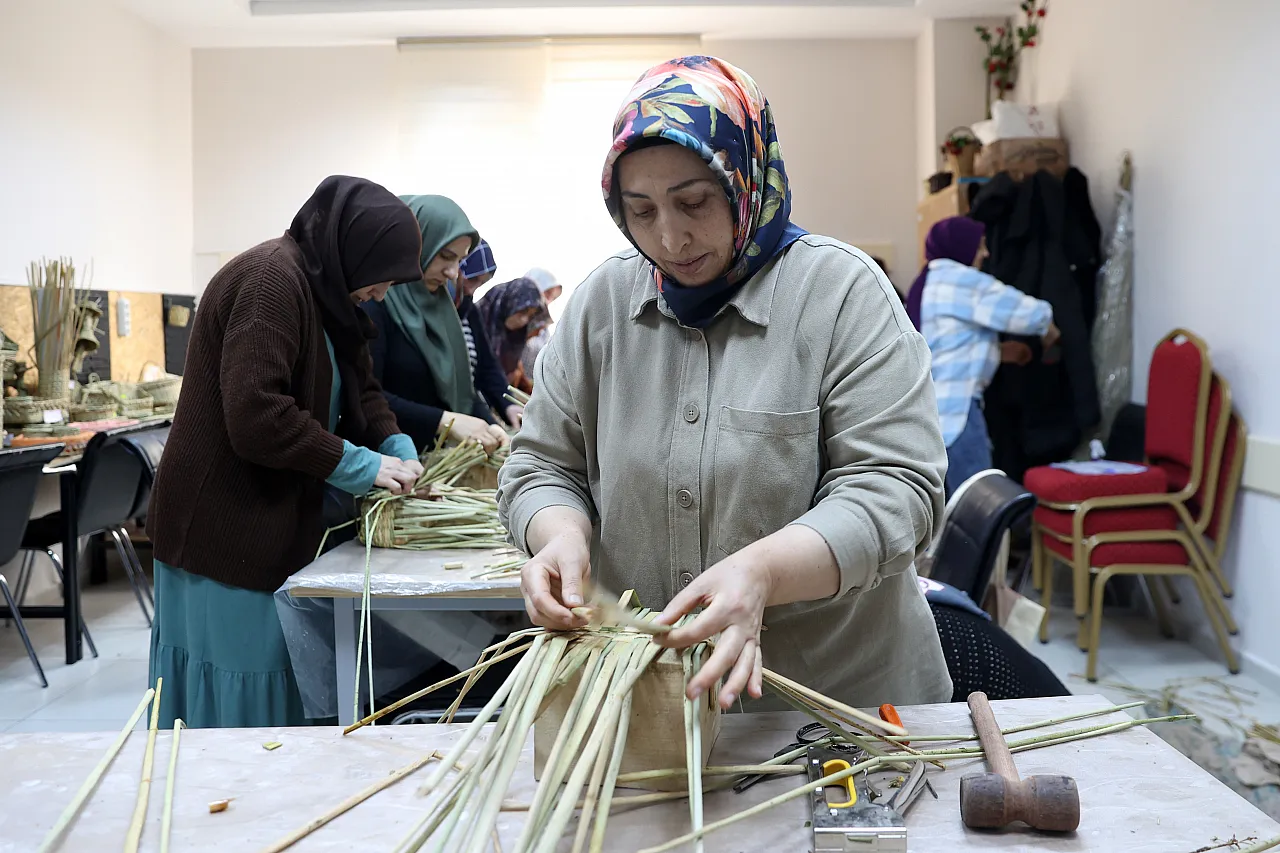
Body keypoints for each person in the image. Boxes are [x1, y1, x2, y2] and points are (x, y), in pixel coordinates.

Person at [498, 56, 952, 711]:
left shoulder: (840, 295)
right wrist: (560, 536)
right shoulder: (601, 305)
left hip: (839, 711)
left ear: (746, 178)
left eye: (693, 202)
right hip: (656, 708)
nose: (670, 236)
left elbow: (897, 492)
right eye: (641, 209)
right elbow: (541, 465)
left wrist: (763, 571)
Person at [147, 176, 427, 728]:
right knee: (242, 677)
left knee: (277, 669)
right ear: (353, 251)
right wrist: (359, 465)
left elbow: (363, 389)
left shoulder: (330, 293)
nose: (381, 294)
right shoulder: (270, 281)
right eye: (381, 280)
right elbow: (256, 416)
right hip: (225, 522)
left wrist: (394, 443)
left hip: (271, 511)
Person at [905, 216, 1060, 497]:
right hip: (956, 412)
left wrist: (997, 352)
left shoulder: (927, 282)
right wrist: (1049, 328)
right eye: (981, 246)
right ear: (962, 247)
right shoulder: (959, 279)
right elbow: (1026, 312)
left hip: (927, 412)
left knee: (944, 508)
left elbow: (948, 345)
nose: (986, 254)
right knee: (979, 504)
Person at [362, 195, 509, 454]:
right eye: (445, 256)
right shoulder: (375, 301)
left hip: (431, 464)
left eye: (459, 261)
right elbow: (368, 396)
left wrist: (488, 423)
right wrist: (446, 421)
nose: (453, 272)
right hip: (388, 464)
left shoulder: (442, 306)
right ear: (417, 245)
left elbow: (460, 385)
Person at [455, 240, 524, 428]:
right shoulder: (432, 311)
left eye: (481, 283)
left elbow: (487, 364)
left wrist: (508, 403)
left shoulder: (468, 311)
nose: (471, 289)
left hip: (465, 419)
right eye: (471, 278)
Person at [475, 276, 547, 393]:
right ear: (509, 303)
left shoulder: (515, 340)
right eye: (522, 311)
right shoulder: (474, 323)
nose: (524, 320)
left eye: (530, 316)